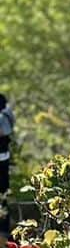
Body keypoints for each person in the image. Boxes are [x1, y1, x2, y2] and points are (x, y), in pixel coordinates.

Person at [0, 95, 14, 237]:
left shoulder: (3, 116)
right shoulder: (7, 113)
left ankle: (3, 230)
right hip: (4, 157)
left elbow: (4, 132)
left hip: (2, 159)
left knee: (3, 194)